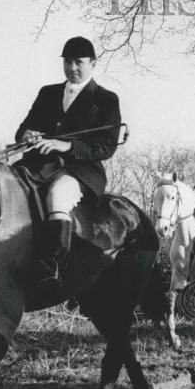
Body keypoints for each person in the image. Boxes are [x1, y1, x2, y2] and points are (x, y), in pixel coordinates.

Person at [15, 36, 121, 291]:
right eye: (68, 62)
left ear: (93, 64)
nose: (72, 68)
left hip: (80, 171)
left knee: (57, 195)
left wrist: (68, 146)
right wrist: (28, 134)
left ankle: (53, 266)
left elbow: (106, 146)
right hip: (39, 165)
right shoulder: (48, 92)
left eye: (79, 62)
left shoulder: (106, 99)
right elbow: (23, 129)